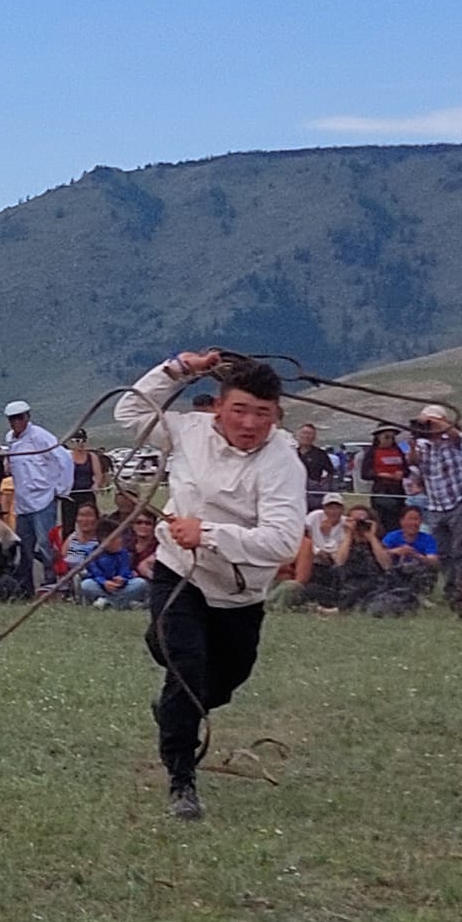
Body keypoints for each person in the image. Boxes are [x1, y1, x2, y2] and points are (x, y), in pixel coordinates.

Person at [114, 352, 304, 822]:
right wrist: (181, 367)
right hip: (180, 572)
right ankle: (182, 778)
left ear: (277, 415)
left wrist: (209, 533)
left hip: (240, 593)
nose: (249, 423)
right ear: (218, 406)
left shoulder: (283, 461)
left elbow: (283, 540)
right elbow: (129, 411)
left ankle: (172, 695)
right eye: (239, 409)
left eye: (262, 413)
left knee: (225, 681)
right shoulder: (187, 431)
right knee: (187, 669)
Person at [2, 400, 73, 594]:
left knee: (46, 543)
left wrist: (61, 489)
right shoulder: (10, 440)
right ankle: (25, 585)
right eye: (13, 419)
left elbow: (65, 458)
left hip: (43, 500)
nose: (17, 422)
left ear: (27, 417)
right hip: (23, 502)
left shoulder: (41, 437)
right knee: (24, 546)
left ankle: (52, 582)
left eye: (20, 417)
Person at [408, 406, 462, 597]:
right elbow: (413, 462)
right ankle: (450, 588)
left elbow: (457, 436)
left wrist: (435, 422)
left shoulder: (452, 440)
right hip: (436, 505)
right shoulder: (422, 445)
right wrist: (412, 446)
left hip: (458, 501)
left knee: (461, 550)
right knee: (443, 552)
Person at [79, 520, 144, 609]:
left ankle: (108, 602)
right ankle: (122, 603)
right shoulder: (92, 554)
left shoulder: (123, 553)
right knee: (86, 584)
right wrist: (104, 582)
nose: (120, 541)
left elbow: (125, 569)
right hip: (101, 586)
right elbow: (94, 572)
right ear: (104, 540)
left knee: (140, 583)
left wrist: (122, 578)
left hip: (120, 588)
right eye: (116, 538)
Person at [381, 505, 440, 595]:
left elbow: (434, 562)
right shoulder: (392, 537)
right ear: (401, 521)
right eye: (409, 519)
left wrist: (416, 555)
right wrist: (396, 551)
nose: (413, 523)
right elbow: (380, 554)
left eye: (416, 519)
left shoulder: (428, 539)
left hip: (418, 575)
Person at [360, 425, 408, 534]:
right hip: (381, 491)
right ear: (378, 437)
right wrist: (382, 475)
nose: (389, 440)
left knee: (397, 520)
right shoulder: (372, 452)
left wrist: (402, 473)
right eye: (386, 437)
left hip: (398, 491)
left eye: (392, 438)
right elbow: (365, 474)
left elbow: (406, 470)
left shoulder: (398, 451)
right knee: (382, 521)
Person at [60, 430, 107, 535]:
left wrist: (96, 484)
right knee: (69, 525)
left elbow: (98, 474)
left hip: (87, 493)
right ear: (71, 442)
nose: (81, 443)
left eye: (83, 441)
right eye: (77, 441)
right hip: (70, 495)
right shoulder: (66, 457)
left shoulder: (91, 456)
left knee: (90, 521)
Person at [294, 423, 337, 512]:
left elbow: (331, 472)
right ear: (297, 435)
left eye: (310, 434)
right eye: (304, 433)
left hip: (312, 492)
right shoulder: (291, 452)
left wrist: (322, 484)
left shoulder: (320, 454)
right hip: (293, 489)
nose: (306, 436)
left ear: (314, 437)